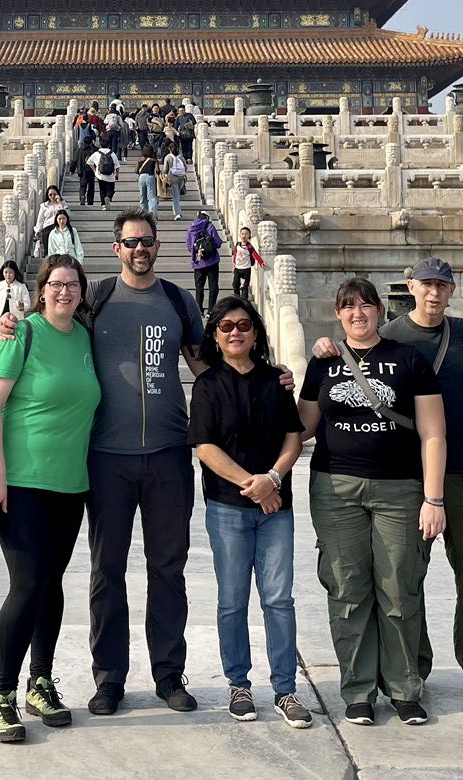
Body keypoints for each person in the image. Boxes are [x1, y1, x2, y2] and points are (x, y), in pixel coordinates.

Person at [0, 210, 216, 716]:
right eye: (130, 242)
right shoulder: (97, 301)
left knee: (168, 569)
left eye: (148, 241)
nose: (140, 248)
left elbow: (210, 367)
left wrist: (271, 376)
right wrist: (13, 321)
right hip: (106, 458)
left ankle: (168, 673)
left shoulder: (178, 302)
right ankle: (109, 677)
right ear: (115, 248)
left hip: (166, 455)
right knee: (106, 571)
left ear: (159, 246)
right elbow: (53, 323)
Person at [301, 276, 447, 726]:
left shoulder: (408, 359)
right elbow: (301, 425)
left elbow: (433, 432)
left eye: (365, 306)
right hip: (335, 488)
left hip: (399, 489)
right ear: (338, 313)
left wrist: (434, 497)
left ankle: (404, 686)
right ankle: (358, 688)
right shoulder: (324, 363)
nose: (357, 314)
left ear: (380, 311)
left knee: (399, 587)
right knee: (347, 589)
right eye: (348, 307)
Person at [0, 255, 102, 744]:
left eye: (72, 284)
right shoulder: (20, 334)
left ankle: (41, 681)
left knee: (52, 585)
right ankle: (2, 694)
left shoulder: (86, 339)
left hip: (70, 484)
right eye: (56, 284)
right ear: (41, 289)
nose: (64, 292)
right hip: (23, 481)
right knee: (26, 585)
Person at [379, 257, 463, 704]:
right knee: (406, 575)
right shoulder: (391, 336)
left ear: (453, 291)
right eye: (426, 285)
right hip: (406, 477)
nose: (434, 293)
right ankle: (412, 665)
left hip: (462, 471)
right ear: (411, 286)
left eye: (443, 286)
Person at [188, 296, 311, 728]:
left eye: (243, 325)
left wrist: (272, 480)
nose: (235, 332)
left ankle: (286, 689)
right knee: (232, 600)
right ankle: (238, 684)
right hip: (228, 507)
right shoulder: (207, 385)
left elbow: (294, 437)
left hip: (277, 505)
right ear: (215, 336)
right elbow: (205, 448)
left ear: (256, 332)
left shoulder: (274, 380)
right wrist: (255, 487)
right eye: (225, 327)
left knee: (279, 599)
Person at [187, 210, 223, 313]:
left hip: (198, 263)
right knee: (213, 286)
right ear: (207, 217)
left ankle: (199, 310)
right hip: (212, 261)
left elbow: (189, 246)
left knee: (199, 287)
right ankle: (211, 310)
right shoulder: (210, 226)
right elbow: (218, 243)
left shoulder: (191, 228)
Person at [32, 186, 67, 261]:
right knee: (47, 233)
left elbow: (65, 215)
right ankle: (47, 255)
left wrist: (59, 202)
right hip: (47, 228)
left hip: (59, 227)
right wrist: (37, 231)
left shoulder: (63, 203)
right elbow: (40, 220)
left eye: (54, 194)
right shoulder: (44, 206)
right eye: (50, 195)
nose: (53, 196)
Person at [230, 226, 265, 300]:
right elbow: (235, 255)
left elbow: (255, 254)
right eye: (242, 234)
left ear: (249, 235)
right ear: (240, 235)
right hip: (237, 268)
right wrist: (234, 265)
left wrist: (261, 262)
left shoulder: (249, 247)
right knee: (235, 284)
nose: (244, 235)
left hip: (246, 268)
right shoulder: (237, 245)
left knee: (245, 286)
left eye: (246, 234)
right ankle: (237, 298)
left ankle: (244, 301)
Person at [91, 138, 120, 208]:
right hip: (111, 175)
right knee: (111, 189)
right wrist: (117, 174)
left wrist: (94, 170)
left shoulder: (97, 153)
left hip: (100, 175)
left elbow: (89, 162)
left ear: (100, 145)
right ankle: (108, 197)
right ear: (109, 145)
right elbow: (117, 165)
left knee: (102, 190)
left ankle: (103, 204)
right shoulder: (112, 153)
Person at [164, 145, 189, 220]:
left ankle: (177, 213)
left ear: (169, 149)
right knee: (177, 194)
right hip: (181, 178)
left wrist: (165, 176)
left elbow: (165, 169)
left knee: (176, 196)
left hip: (173, 178)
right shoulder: (181, 157)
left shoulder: (168, 157)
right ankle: (175, 210)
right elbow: (186, 167)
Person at [135, 145, 159, 215]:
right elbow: (157, 171)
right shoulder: (154, 160)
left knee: (143, 196)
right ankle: (152, 213)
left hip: (141, 177)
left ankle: (143, 212)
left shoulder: (140, 160)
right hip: (150, 177)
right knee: (152, 196)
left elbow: (136, 171)